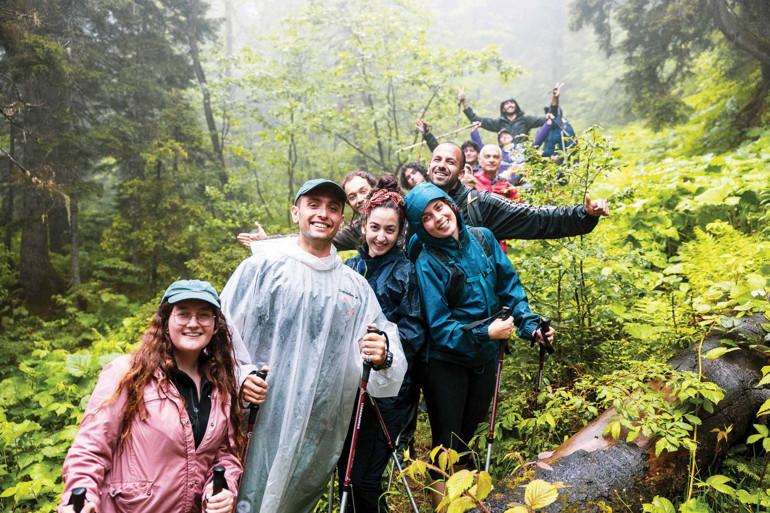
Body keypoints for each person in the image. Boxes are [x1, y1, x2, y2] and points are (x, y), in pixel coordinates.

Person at [221, 178, 406, 513]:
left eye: (333, 208)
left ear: (342, 220)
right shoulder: (261, 269)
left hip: (318, 421)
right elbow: (223, 332)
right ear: (296, 212)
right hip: (259, 413)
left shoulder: (353, 286)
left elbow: (383, 343)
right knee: (243, 492)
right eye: (314, 205)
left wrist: (382, 354)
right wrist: (241, 375)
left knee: (297, 495)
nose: (324, 214)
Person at [404, 182, 555, 508]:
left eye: (439, 208)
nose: (438, 219)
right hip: (445, 362)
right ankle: (444, 506)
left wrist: (531, 327)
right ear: (420, 227)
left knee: (469, 435)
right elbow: (440, 326)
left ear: (450, 204)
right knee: (446, 444)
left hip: (485, 358)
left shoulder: (484, 239)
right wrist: (486, 333)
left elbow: (510, 288)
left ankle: (469, 503)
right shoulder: (427, 260)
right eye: (427, 218)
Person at [58, 280, 245, 513]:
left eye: (204, 315)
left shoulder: (219, 383)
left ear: (216, 325)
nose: (193, 323)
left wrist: (223, 489)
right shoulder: (129, 373)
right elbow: (90, 448)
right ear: (165, 322)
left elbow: (224, 455)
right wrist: (81, 499)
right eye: (183, 314)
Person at [338, 174, 425, 513]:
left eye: (390, 230)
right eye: (375, 227)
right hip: (347, 386)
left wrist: (384, 350)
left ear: (400, 231)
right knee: (344, 472)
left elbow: (415, 332)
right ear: (363, 225)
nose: (381, 236)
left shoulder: (406, 272)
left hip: (390, 393)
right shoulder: (350, 267)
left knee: (364, 479)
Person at [417, 142, 609, 249]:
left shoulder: (481, 203)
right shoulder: (414, 207)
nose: (442, 165)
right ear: (429, 167)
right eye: (437, 159)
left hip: (478, 314)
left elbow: (535, 217)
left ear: (461, 174)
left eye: (450, 161)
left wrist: (584, 214)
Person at [236, 171, 376, 252]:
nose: (360, 199)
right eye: (352, 197)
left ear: (376, 189)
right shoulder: (357, 231)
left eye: (364, 191)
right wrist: (267, 241)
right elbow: (306, 237)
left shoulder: (397, 208)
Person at [458, 84, 562, 147]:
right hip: (506, 155)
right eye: (506, 104)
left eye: (512, 103)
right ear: (503, 108)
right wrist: (464, 102)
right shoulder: (499, 123)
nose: (510, 105)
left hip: (524, 154)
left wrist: (555, 98)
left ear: (516, 106)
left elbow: (550, 117)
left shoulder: (525, 120)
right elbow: (475, 119)